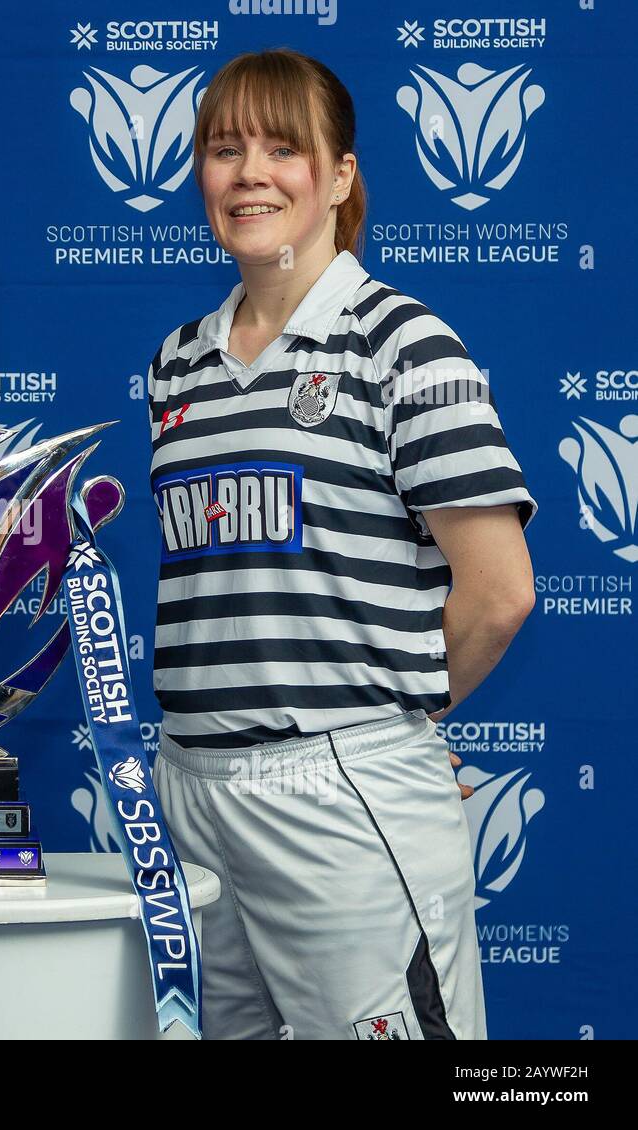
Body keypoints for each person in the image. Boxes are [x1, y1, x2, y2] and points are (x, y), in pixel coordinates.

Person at [144, 49, 536, 1040]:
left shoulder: (408, 345)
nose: (249, 174)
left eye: (283, 147)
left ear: (341, 176)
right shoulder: (174, 362)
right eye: (224, 149)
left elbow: (498, 594)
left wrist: (384, 731)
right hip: (188, 789)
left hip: (339, 798)